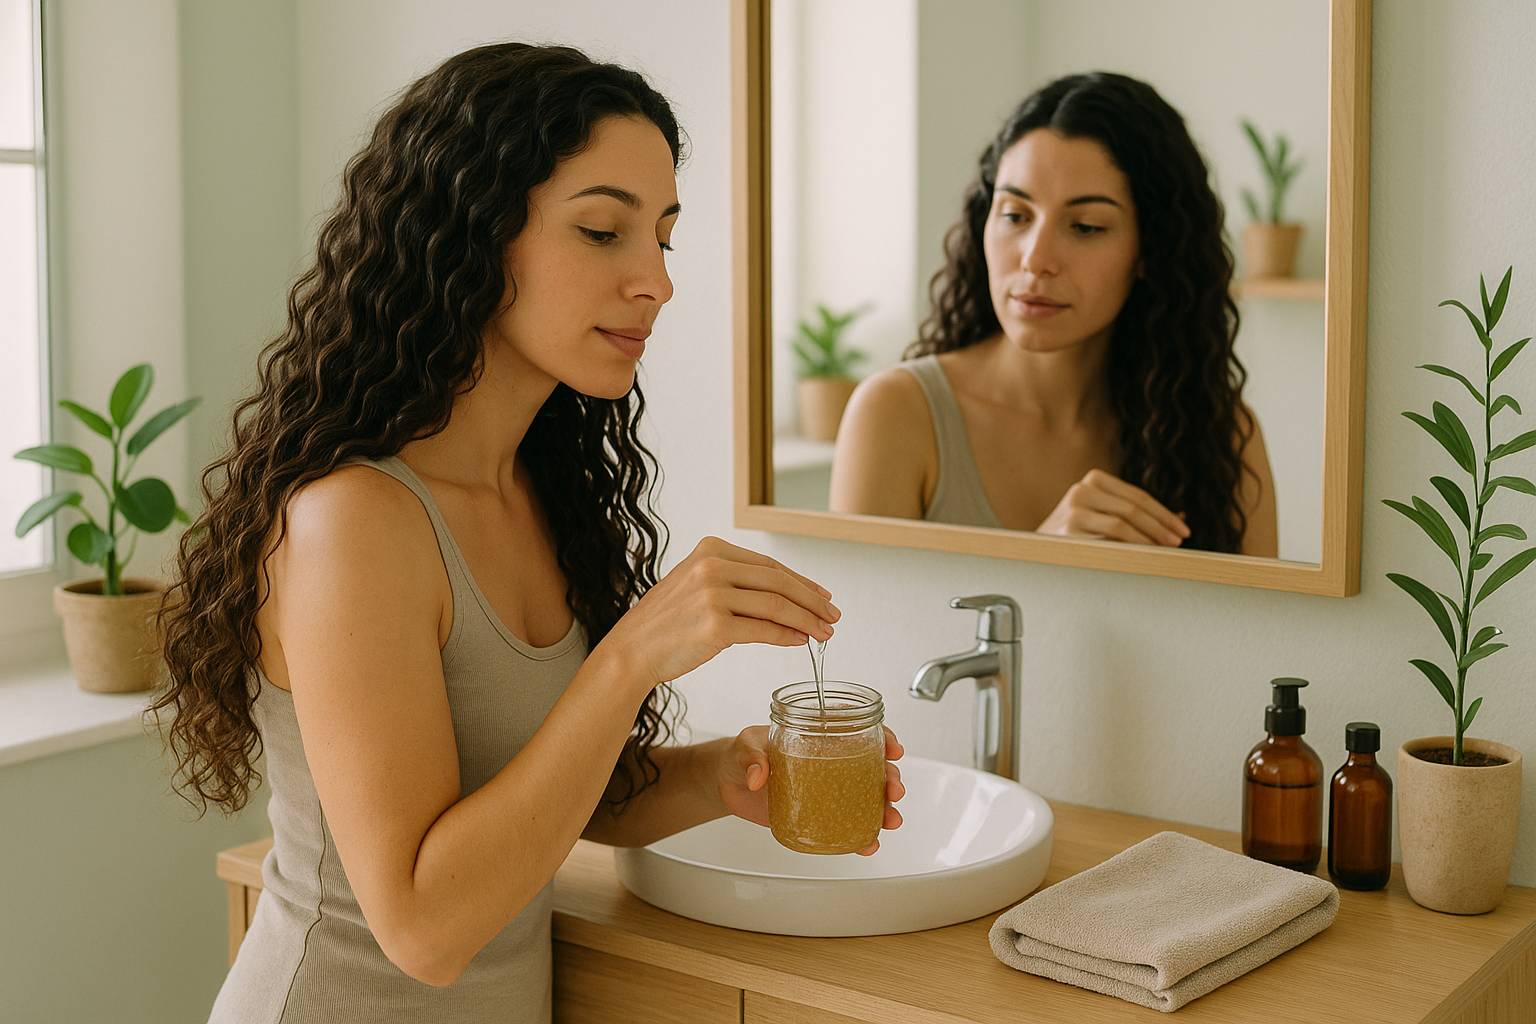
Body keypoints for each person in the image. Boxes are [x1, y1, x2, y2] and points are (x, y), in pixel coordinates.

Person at [149, 43, 904, 1023]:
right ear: (471, 236)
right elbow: (423, 926)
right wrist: (631, 655)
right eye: (602, 231)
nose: (656, 283)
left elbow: (532, 798)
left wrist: (718, 776)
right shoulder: (355, 522)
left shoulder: (538, 486)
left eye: (664, 240)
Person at [830, 71, 1278, 557]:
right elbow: (861, 632)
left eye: (1085, 227)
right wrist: (1045, 562)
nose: (1035, 258)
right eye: (1015, 216)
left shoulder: (1220, 434)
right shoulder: (897, 415)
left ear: (1151, 250)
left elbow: (1260, 634)